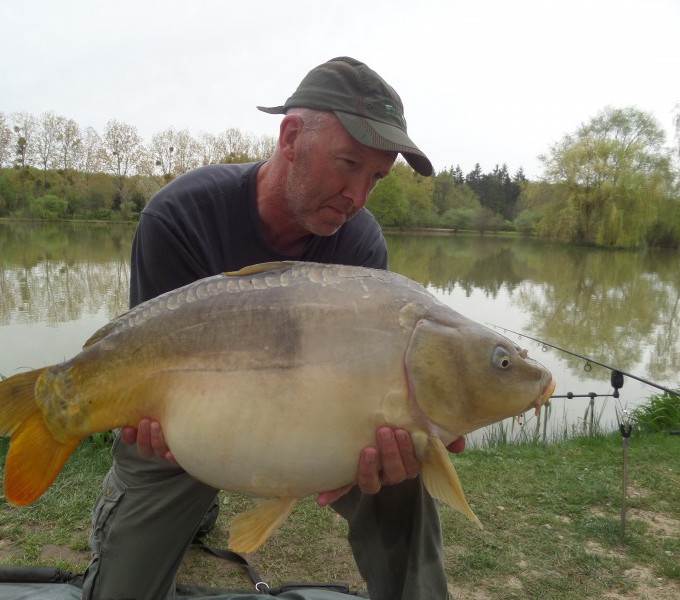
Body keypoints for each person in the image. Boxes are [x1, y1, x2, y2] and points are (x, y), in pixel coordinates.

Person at [83, 56, 464, 600]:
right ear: (290, 137)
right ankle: (193, 503)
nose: (358, 196)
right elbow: (143, 364)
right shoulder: (180, 216)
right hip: (192, 428)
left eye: (376, 178)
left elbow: (368, 385)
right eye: (348, 163)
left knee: (405, 472)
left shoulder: (360, 244)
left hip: (316, 425)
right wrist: (143, 415)